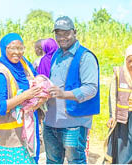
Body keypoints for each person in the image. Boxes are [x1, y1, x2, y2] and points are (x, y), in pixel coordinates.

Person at [43, 16, 100, 164]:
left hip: (73, 123)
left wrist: (63, 94)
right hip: (51, 121)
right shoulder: (56, 55)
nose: (62, 38)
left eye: (66, 33)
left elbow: (91, 88)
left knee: (76, 161)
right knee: (52, 161)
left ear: (75, 32)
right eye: (58, 34)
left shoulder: (85, 57)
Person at [0, 33, 47, 164]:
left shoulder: (24, 64)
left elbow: (36, 77)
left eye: (20, 48)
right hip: (11, 136)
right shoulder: (2, 74)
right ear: (4, 49)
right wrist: (25, 95)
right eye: (12, 48)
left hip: (28, 130)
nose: (17, 52)